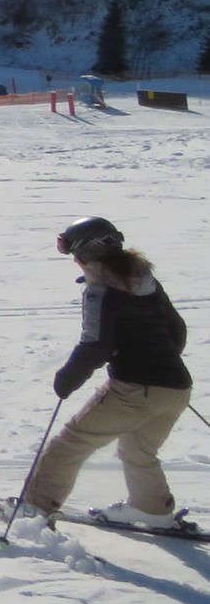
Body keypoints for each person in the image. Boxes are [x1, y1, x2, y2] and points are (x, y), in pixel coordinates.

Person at [26, 218, 192, 528]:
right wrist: (160, 364)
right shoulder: (145, 279)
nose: (75, 262)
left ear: (86, 254)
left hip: (134, 390)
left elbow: (95, 345)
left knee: (71, 443)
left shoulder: (100, 290)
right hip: (177, 388)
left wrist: (67, 379)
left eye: (73, 255)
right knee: (138, 449)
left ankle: (34, 508)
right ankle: (152, 510)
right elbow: (176, 331)